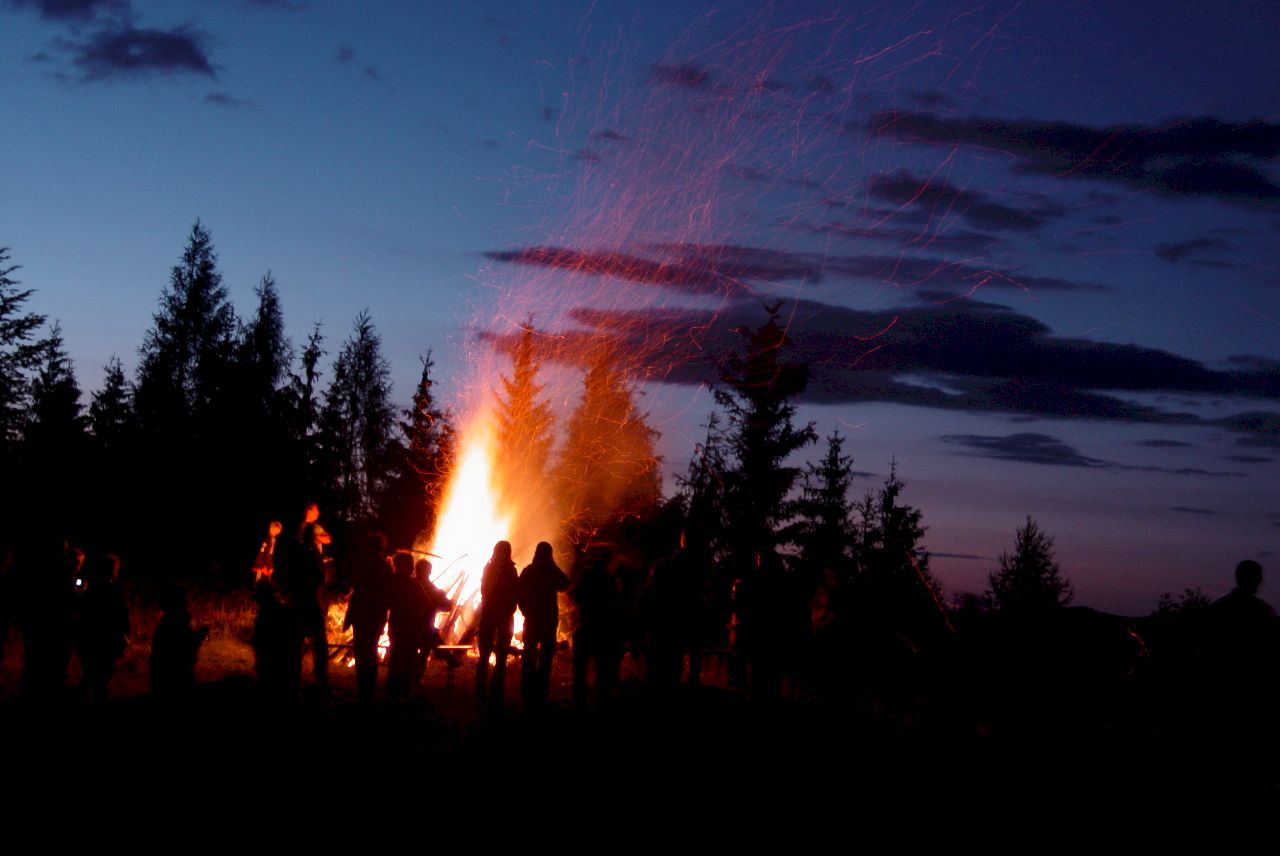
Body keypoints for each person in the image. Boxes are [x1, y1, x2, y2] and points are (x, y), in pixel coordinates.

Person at [518, 541, 569, 711]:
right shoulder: (550, 571)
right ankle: (540, 693)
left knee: (529, 656)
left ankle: (527, 692)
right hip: (547, 620)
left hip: (533, 620)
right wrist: (553, 566)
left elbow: (520, 595)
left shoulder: (528, 571)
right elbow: (565, 583)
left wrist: (525, 611)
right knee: (545, 659)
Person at [344, 532, 391, 704]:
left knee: (362, 651)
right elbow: (386, 595)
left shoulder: (363, 565)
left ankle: (364, 690)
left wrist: (350, 616)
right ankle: (368, 690)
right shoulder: (384, 567)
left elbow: (358, 590)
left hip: (363, 614)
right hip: (374, 615)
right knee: (369, 651)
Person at [475, 541, 518, 708]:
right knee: (501, 655)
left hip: (489, 614)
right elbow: (515, 592)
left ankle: (480, 690)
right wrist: (512, 606)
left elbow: (484, 591)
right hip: (504, 615)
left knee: (484, 655)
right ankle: (496, 691)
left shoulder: (488, 569)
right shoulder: (510, 570)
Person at [150, 586, 208, 697]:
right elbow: (182, 648)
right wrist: (200, 635)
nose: (187, 601)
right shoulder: (174, 622)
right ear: (177, 602)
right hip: (175, 680)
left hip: (166, 680)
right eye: (184, 599)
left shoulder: (169, 621)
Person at [252, 520, 283, 585]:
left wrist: (270, 563)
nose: (275, 532)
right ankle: (257, 587)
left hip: (268, 558)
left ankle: (264, 588)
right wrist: (268, 565)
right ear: (270, 528)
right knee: (260, 576)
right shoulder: (267, 538)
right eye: (273, 529)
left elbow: (271, 553)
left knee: (267, 575)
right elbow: (264, 552)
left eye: (277, 530)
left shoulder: (274, 540)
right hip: (262, 560)